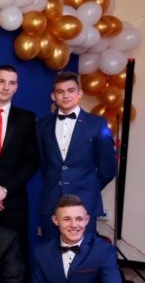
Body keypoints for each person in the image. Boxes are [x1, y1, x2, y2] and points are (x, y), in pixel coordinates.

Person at [35, 71, 116, 239]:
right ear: (53, 96)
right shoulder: (41, 126)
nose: (66, 96)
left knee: (84, 253)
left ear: (79, 93)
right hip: (51, 203)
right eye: (60, 92)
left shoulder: (97, 124)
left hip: (85, 204)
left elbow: (108, 168)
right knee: (50, 251)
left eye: (71, 90)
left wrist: (87, 188)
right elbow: (43, 164)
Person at [0, 65, 38, 258]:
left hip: (14, 201)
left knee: (16, 255)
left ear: (16, 87)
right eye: (1, 81)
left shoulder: (27, 118)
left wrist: (4, 190)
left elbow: (32, 161)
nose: (6, 87)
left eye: (11, 83)